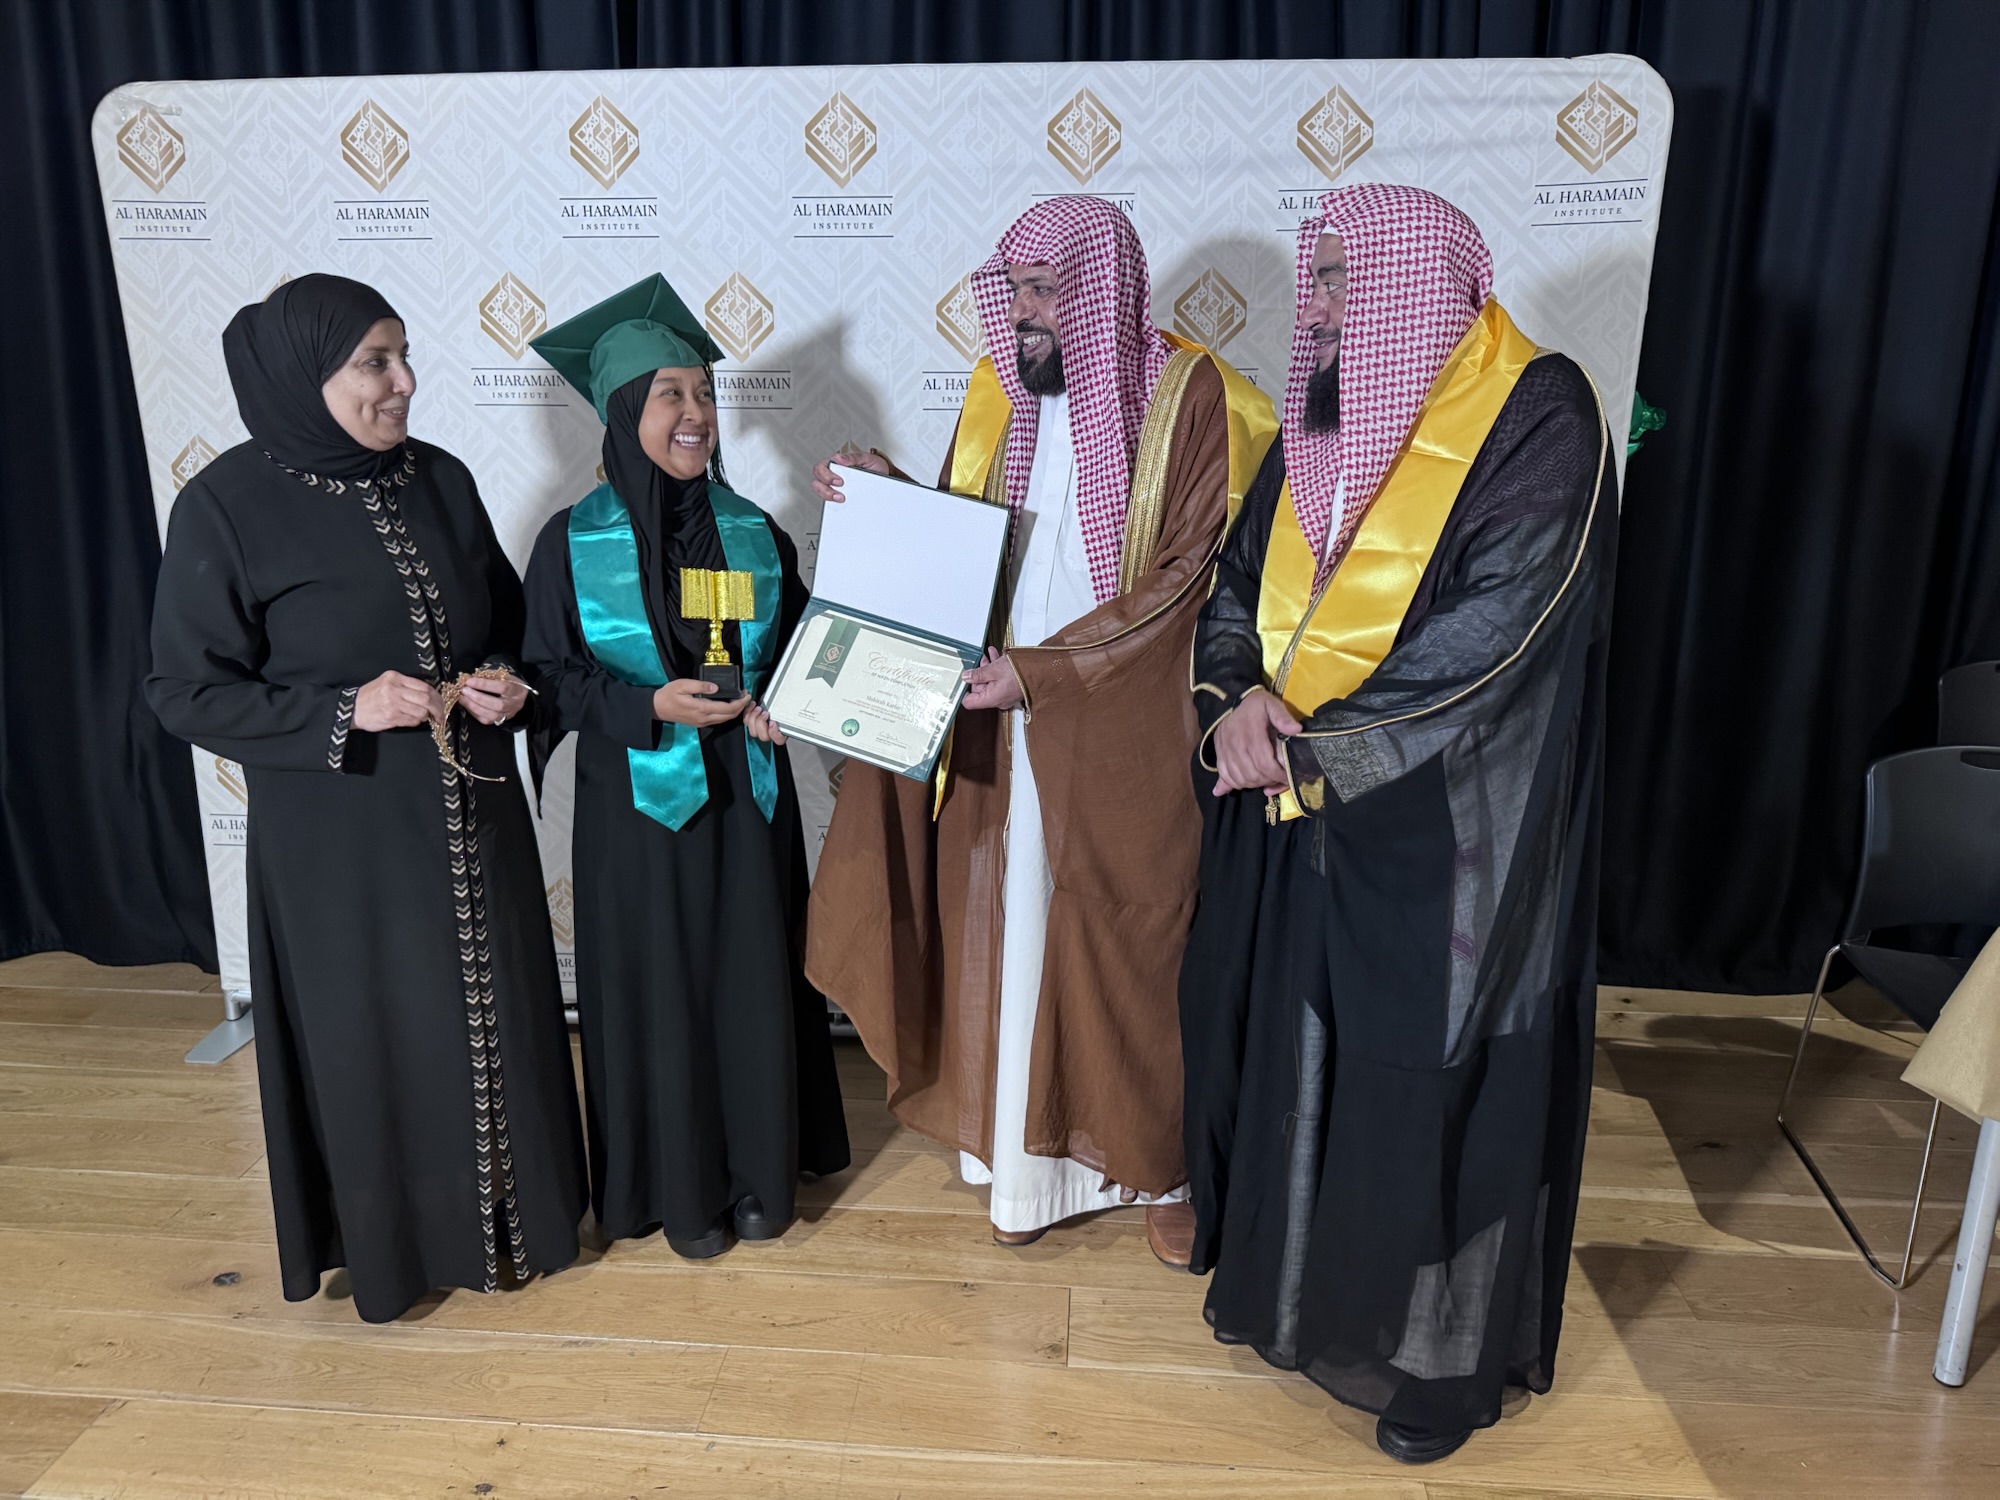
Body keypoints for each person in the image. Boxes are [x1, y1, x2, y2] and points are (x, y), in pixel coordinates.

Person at [1178, 183, 1618, 1464]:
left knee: (1424, 1086)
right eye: (1312, 279)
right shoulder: (1319, 416)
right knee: (1296, 1058)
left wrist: (1305, 746)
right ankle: (1295, 1299)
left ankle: (1431, 1362)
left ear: (1414, 284)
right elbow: (1234, 584)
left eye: (1335, 279)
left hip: (1452, 830)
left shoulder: (1536, 413)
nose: (1310, 307)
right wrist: (1232, 703)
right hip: (1304, 813)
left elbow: (1497, 634)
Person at [805, 196, 1274, 1261]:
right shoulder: (1001, 392)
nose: (1023, 311)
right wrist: (889, 495)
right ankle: (1022, 1164)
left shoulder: (1190, 395)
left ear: (1100, 290)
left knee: (1130, 939)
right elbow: (974, 535)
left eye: (1046, 291)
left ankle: (1155, 1164)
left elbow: (1189, 575)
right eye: (1015, 289)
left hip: (1120, 718)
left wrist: (1052, 675)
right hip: (994, 710)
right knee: (1006, 926)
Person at [148, 274, 588, 1323]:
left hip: (473, 814)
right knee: (384, 1035)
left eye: (403, 356)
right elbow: (184, 691)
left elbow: (504, 627)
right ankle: (404, 1248)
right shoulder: (226, 505)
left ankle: (516, 1224)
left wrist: (507, 681)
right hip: (341, 839)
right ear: (305, 376)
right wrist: (344, 709)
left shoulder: (439, 478)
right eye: (373, 363)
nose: (405, 383)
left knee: (494, 1013)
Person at [522, 275, 849, 1261]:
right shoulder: (570, 543)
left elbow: (798, 651)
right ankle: (676, 1190)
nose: (694, 412)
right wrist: (646, 706)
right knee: (657, 990)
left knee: (749, 980)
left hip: (748, 806)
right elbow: (546, 679)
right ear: (624, 412)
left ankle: (759, 1177)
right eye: (669, 394)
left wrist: (782, 700)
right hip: (636, 810)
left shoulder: (754, 534)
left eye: (703, 392)